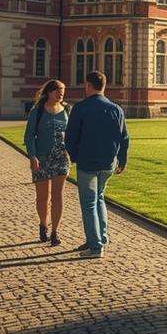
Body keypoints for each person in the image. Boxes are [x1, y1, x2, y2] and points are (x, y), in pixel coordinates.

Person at [64, 70, 130, 259]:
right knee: (99, 198)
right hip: (109, 162)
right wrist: (122, 160)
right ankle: (101, 237)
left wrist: (75, 157)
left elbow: (70, 138)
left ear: (88, 85)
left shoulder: (81, 107)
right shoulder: (116, 108)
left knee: (89, 203)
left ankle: (95, 246)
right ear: (104, 86)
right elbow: (124, 138)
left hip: (88, 162)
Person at [24, 79, 70, 247]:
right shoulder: (37, 111)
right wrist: (32, 157)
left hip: (61, 158)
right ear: (49, 92)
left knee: (58, 196)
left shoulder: (67, 110)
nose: (61, 93)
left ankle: (55, 231)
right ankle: (43, 224)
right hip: (41, 158)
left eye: (63, 90)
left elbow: (72, 134)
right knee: (42, 198)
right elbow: (29, 137)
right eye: (58, 90)